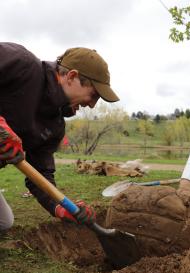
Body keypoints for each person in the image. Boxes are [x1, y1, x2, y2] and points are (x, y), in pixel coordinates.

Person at [0, 43, 119, 230]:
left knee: (4, 222)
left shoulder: (54, 126)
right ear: (71, 76)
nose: (92, 105)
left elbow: (40, 174)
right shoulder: (21, 64)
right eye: (93, 94)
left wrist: (59, 208)